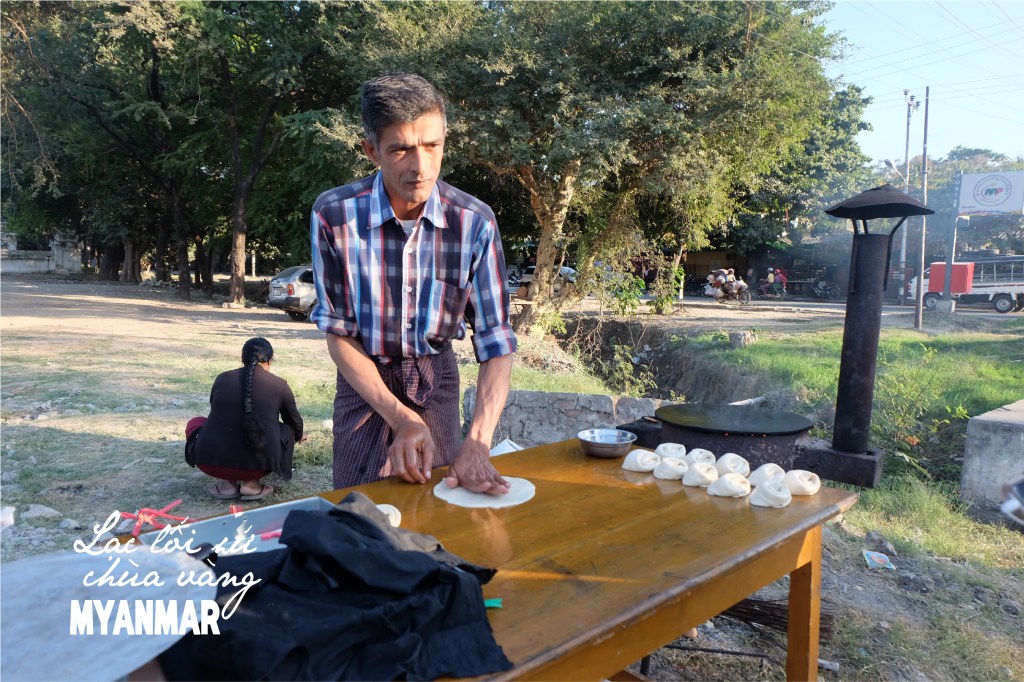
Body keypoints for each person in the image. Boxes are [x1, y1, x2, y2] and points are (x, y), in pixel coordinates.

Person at [310, 73, 517, 496]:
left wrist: (478, 442)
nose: (420, 167)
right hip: (363, 380)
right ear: (372, 151)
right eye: (401, 149)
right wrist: (400, 417)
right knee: (359, 505)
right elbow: (339, 334)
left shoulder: (474, 223)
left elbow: (496, 341)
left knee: (438, 502)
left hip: (435, 377)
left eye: (431, 146)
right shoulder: (334, 216)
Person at [185, 337, 303, 501]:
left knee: (196, 422)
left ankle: (226, 485)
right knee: (286, 429)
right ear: (269, 360)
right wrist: (298, 435)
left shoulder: (221, 378)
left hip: (209, 462)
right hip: (259, 465)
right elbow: (294, 422)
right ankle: (251, 485)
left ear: (242, 359)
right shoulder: (279, 384)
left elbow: (216, 414)